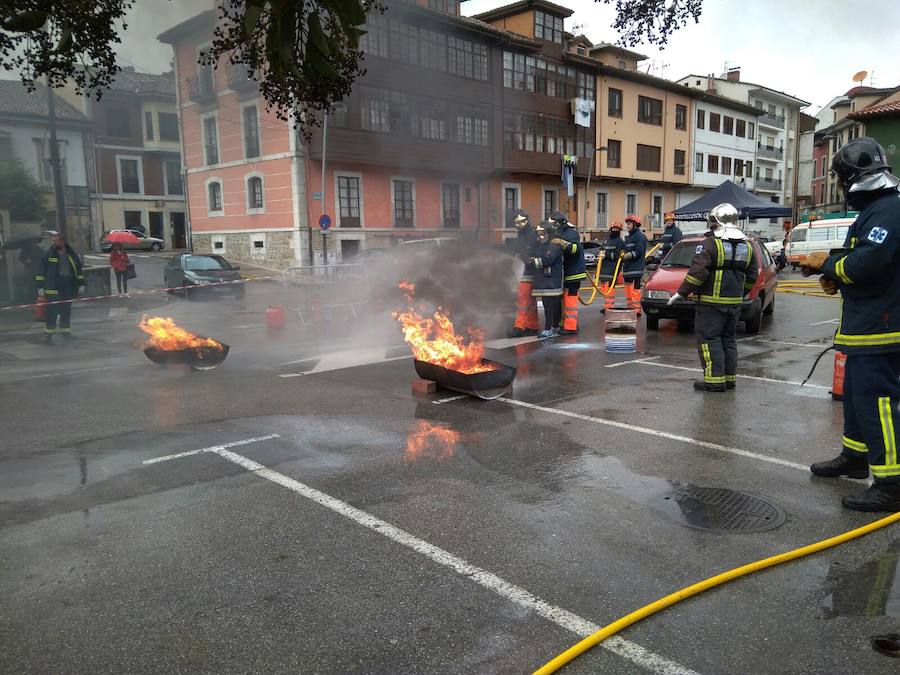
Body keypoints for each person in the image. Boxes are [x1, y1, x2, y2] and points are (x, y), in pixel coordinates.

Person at [807, 137, 900, 512]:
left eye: (842, 180)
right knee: (858, 398)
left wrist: (828, 266)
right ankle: (856, 457)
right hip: (868, 323)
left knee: (877, 401)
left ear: (852, 177)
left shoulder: (888, 210)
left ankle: (892, 482)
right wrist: (837, 275)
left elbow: (867, 263)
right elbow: (859, 261)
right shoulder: (877, 209)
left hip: (884, 325)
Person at [667, 203, 757, 392]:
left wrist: (681, 293)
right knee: (729, 340)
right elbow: (751, 276)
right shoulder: (747, 245)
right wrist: (739, 294)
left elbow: (697, 273)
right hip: (734, 305)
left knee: (709, 339)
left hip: (710, 304)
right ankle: (729, 379)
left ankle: (714, 381)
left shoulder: (710, 243)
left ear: (715, 221)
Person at [36, 233, 84, 343]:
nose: (53, 243)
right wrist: (40, 287)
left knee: (66, 311)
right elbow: (41, 272)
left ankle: (66, 333)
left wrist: (81, 284)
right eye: (53, 241)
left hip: (68, 287)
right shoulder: (48, 255)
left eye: (56, 241)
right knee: (52, 312)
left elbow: (78, 271)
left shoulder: (71, 255)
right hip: (52, 288)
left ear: (63, 242)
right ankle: (48, 335)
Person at [548, 211, 586, 335]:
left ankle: (571, 327)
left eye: (555, 224)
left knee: (570, 300)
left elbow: (575, 249)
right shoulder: (559, 233)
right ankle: (568, 323)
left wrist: (562, 243)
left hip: (574, 273)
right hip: (566, 272)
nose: (553, 226)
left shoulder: (571, 233)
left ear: (561, 223)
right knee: (565, 299)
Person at [507, 209, 540, 337]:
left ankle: (519, 327)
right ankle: (532, 326)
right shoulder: (522, 235)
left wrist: (526, 256)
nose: (518, 225)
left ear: (527, 220)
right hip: (526, 271)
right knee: (530, 301)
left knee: (523, 300)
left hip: (528, 271)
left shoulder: (533, 235)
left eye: (521, 222)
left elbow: (534, 250)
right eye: (516, 223)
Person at [530, 222, 564, 339]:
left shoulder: (555, 245)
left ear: (549, 233)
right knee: (547, 304)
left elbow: (548, 259)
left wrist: (534, 261)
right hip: (544, 281)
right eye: (538, 234)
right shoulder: (540, 245)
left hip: (552, 281)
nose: (540, 236)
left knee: (551, 305)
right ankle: (553, 326)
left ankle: (550, 328)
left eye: (542, 233)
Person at [598, 221, 626, 313]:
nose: (615, 230)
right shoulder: (607, 240)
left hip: (612, 268)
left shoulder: (620, 242)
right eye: (613, 229)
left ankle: (609, 307)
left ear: (619, 231)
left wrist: (606, 254)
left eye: (617, 229)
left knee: (610, 289)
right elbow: (602, 249)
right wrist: (600, 253)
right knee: (604, 288)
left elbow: (617, 256)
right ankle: (606, 306)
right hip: (603, 267)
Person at [622, 215, 647, 313]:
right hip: (627, 268)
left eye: (629, 224)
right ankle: (630, 307)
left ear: (635, 225)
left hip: (636, 268)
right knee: (628, 288)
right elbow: (625, 249)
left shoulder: (640, 236)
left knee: (635, 289)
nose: (627, 226)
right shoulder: (629, 237)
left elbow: (639, 251)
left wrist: (628, 255)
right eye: (627, 224)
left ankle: (636, 310)